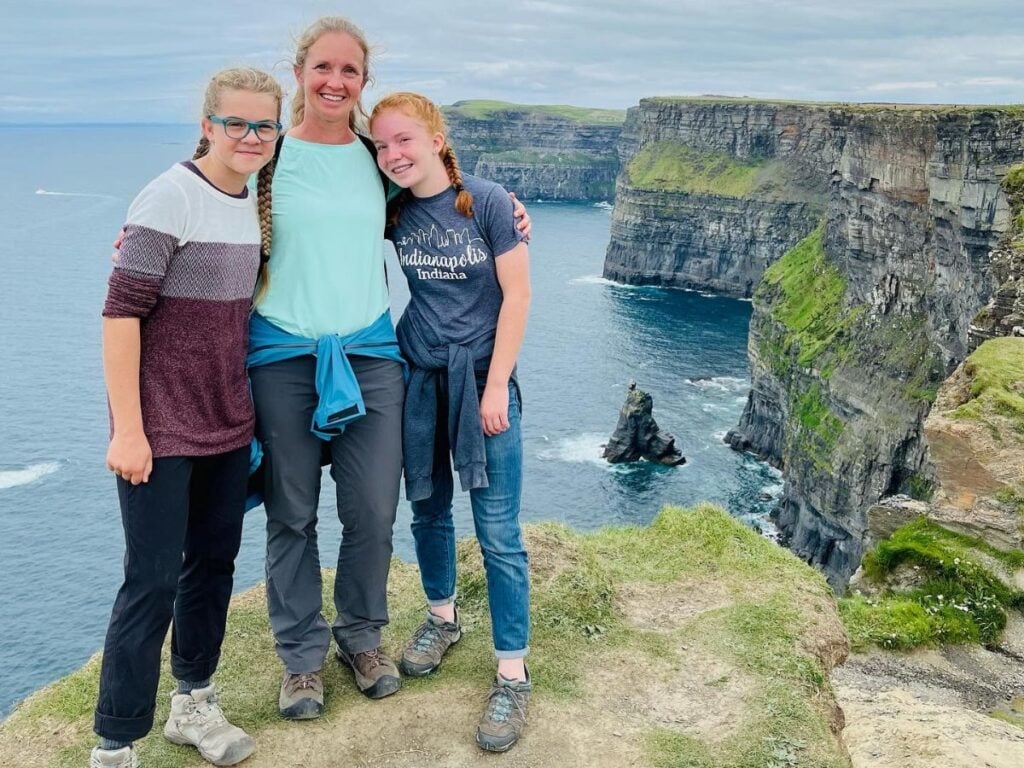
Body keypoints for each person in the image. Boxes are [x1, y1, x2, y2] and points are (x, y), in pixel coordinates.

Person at [247, 16, 530, 721]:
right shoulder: (270, 160)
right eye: (323, 68)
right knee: (292, 513)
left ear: (362, 83)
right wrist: (143, 234)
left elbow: (452, 206)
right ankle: (302, 662)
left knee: (374, 508)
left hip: (373, 353)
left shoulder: (380, 166)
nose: (335, 81)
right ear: (300, 73)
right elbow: (208, 189)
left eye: (349, 71)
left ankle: (362, 639)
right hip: (284, 350)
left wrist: (512, 214)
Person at [93, 68, 284, 768]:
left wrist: (488, 207)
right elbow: (120, 317)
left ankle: (193, 705)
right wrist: (128, 428)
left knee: (213, 566)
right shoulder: (169, 195)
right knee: (150, 580)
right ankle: (114, 743)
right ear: (207, 124)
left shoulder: (258, 196)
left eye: (264, 125)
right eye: (235, 122)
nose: (250, 136)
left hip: (229, 420)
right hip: (161, 426)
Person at [369, 92, 532, 752]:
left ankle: (513, 675)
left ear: (437, 137)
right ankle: (442, 617)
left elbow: (518, 295)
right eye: (381, 146)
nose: (393, 154)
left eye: (404, 140)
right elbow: (309, 212)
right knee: (428, 510)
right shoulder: (393, 208)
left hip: (481, 383)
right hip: (419, 378)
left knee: (497, 531)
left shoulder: (490, 202)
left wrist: (496, 387)